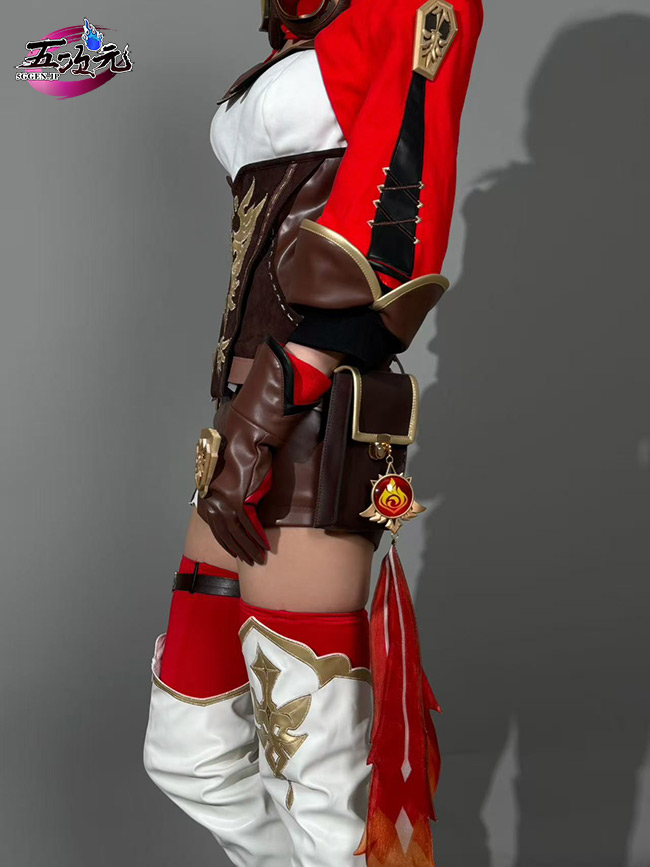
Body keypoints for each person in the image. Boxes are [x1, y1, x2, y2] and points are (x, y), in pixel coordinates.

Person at [142, 0, 483, 864]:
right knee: (190, 754)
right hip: (243, 410)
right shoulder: (305, 32)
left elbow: (392, 244)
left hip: (312, 411)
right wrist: (243, 418)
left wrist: (265, 412)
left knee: (321, 787)